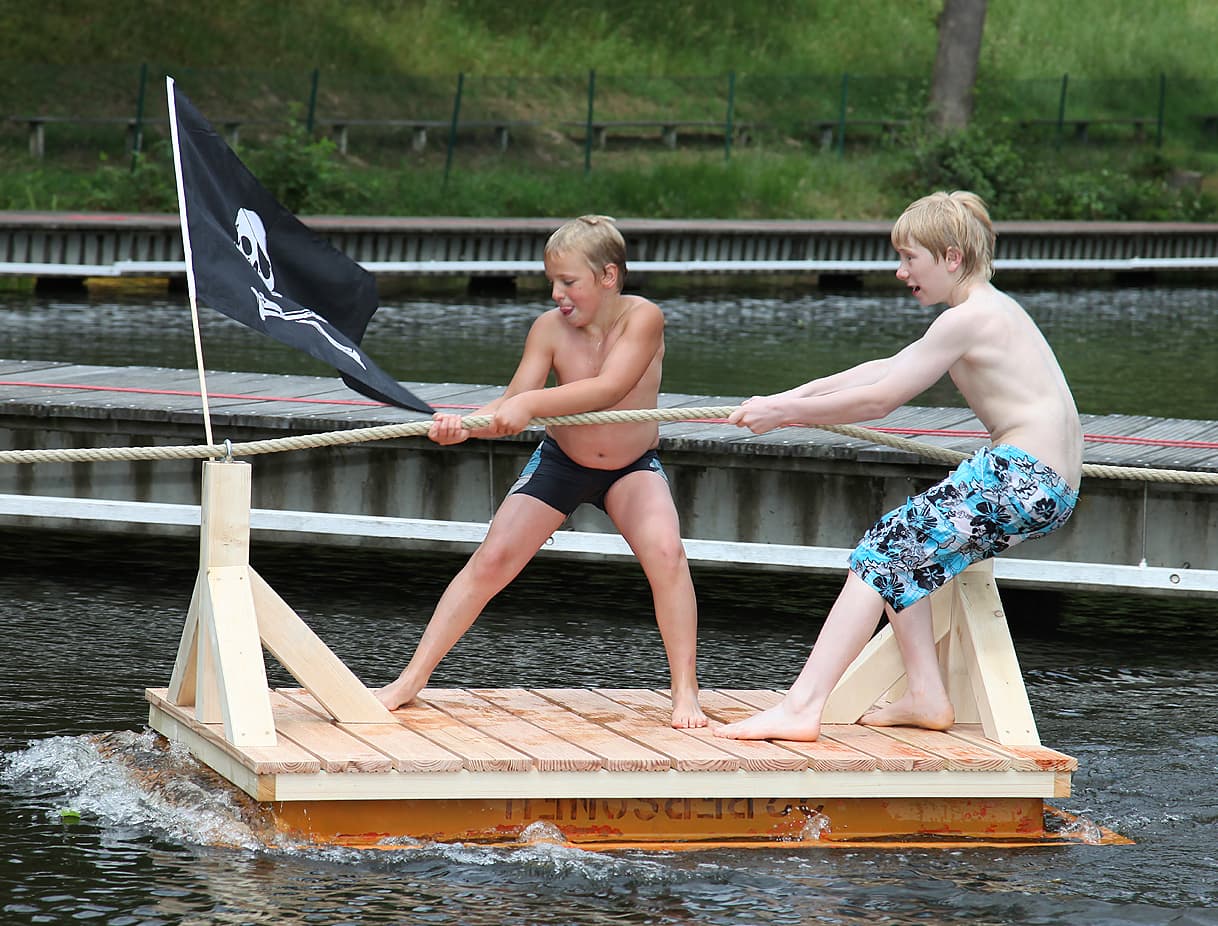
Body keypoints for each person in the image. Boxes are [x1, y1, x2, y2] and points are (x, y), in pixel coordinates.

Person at [715, 190, 1083, 743]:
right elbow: (885, 367)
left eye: (911, 258)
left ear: (951, 258)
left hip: (1021, 476)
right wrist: (788, 396)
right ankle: (926, 696)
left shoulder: (968, 318)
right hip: (1046, 486)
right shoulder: (988, 309)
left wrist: (786, 414)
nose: (900, 271)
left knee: (880, 553)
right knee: (902, 551)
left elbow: (880, 399)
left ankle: (801, 708)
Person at [376, 215, 707, 728]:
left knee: (667, 553)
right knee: (493, 558)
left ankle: (685, 691)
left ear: (608, 276)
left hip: (632, 467)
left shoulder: (643, 318)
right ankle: (410, 681)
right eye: (552, 282)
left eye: (569, 281)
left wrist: (528, 406)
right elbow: (512, 401)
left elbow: (609, 389)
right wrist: (466, 427)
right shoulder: (549, 329)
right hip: (561, 461)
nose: (557, 294)